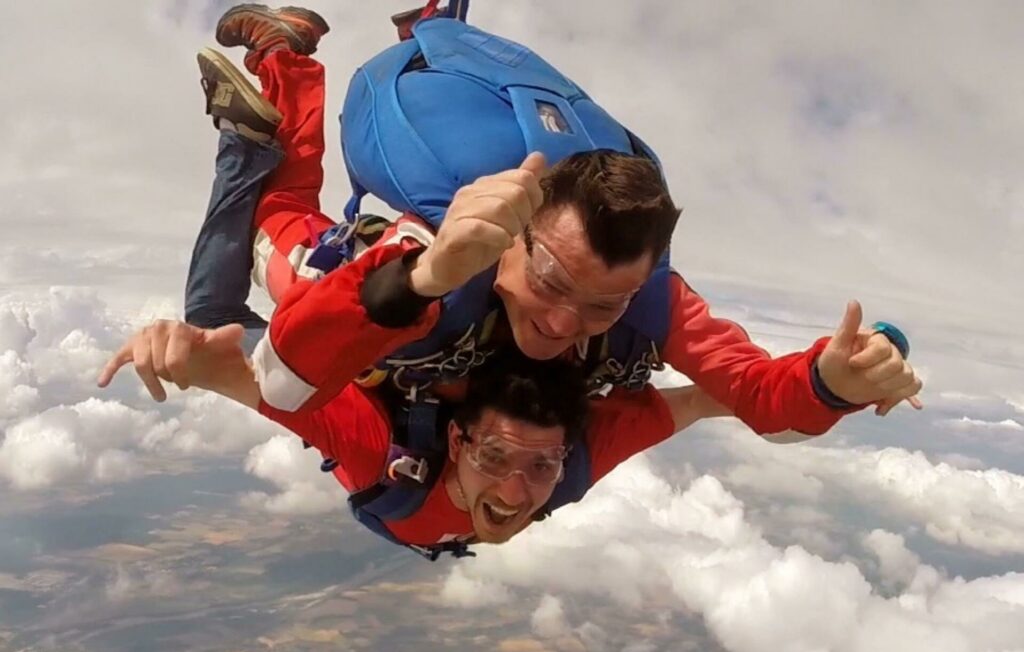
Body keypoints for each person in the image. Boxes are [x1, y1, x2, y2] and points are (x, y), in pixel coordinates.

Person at [97, 47, 729, 560]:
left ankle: (408, 43)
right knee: (240, 278)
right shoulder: (408, 452)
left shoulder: (543, 463)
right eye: (514, 459)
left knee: (228, 315)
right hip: (361, 317)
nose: (517, 490)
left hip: (392, 329)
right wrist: (185, 353)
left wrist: (186, 359)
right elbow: (262, 382)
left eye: (520, 462)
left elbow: (711, 397)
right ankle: (268, 97)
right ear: (455, 442)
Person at [204, 4, 922, 448]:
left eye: (601, 305)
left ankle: (436, 24)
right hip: (419, 277)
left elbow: (759, 394)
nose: (561, 322)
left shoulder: (649, 294)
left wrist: (830, 379)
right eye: (551, 279)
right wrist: (421, 278)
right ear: (515, 225)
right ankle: (287, 59)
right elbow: (283, 381)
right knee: (283, 221)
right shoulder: (453, 245)